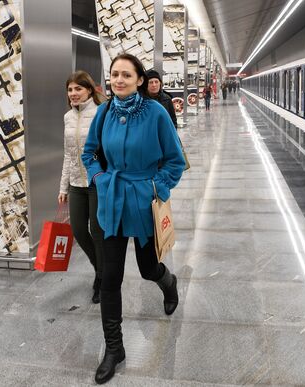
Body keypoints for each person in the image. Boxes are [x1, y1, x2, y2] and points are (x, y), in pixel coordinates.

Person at [82, 53, 185, 385]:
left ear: (140, 80)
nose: (119, 80)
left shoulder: (155, 113)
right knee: (110, 276)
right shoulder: (104, 112)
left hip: (143, 202)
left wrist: (157, 186)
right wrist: (98, 177)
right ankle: (114, 348)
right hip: (111, 201)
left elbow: (175, 160)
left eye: (127, 74)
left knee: (147, 268)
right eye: (115, 74)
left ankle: (168, 283)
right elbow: (89, 152)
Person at [58, 70, 106, 304]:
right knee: (78, 230)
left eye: (78, 89)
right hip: (76, 183)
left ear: (89, 90)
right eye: (70, 89)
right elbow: (68, 154)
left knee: (98, 233)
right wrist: (63, 187)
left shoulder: (100, 113)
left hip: (97, 182)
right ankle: (101, 270)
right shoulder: (68, 117)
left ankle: (101, 279)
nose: (74, 93)